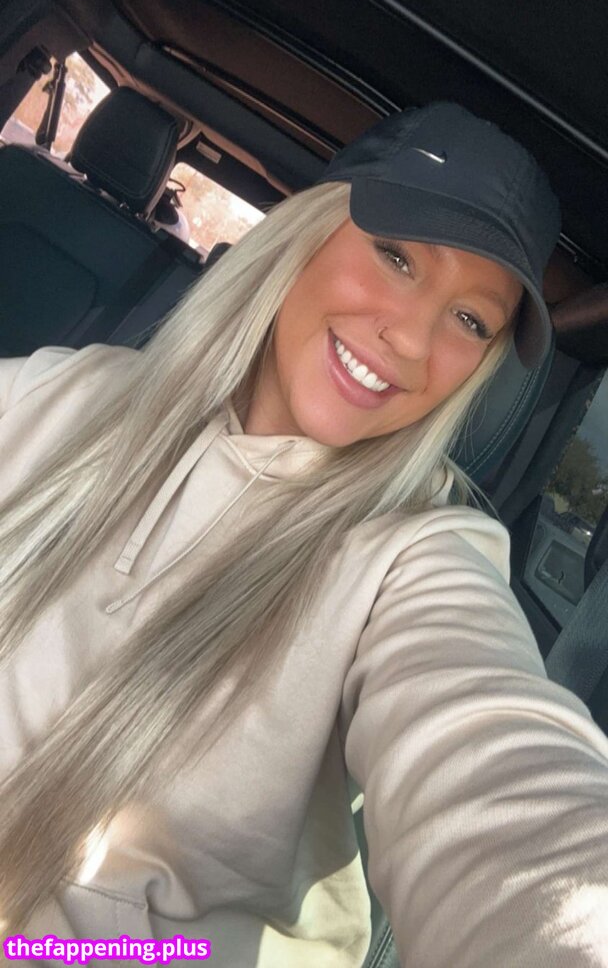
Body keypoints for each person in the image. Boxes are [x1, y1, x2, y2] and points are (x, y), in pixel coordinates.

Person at [0, 101, 607, 968]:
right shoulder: (71, 395)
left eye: (472, 321)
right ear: (307, 231)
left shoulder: (417, 559)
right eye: (397, 256)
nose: (411, 339)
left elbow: (499, 770)